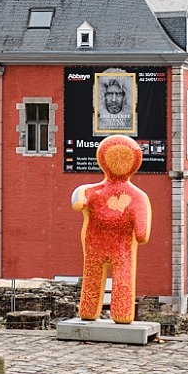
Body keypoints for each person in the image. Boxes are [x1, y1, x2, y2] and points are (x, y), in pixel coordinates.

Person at [71, 134, 152, 323]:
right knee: (116, 278)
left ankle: (95, 310)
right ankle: (118, 313)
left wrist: (80, 199)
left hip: (105, 243)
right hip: (113, 245)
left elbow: (78, 200)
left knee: (97, 277)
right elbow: (78, 199)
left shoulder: (99, 191)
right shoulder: (134, 196)